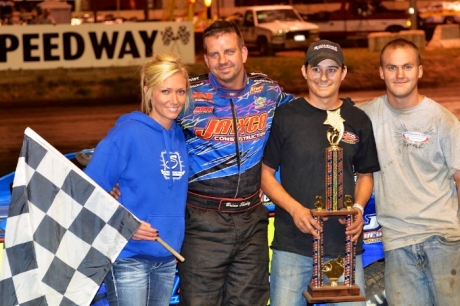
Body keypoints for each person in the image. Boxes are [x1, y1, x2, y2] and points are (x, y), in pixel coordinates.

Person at [176, 20, 294, 306]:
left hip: (252, 219)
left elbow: (303, 119)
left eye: (229, 51)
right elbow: (149, 133)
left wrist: (347, 115)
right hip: (202, 222)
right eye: (214, 54)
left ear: (243, 53)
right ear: (205, 59)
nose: (222, 60)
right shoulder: (187, 95)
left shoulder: (268, 92)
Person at [261, 40, 380, 306]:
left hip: (344, 246)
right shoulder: (285, 117)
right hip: (293, 245)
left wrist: (358, 209)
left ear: (343, 73)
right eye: (316, 69)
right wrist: (296, 210)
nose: (323, 77)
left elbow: (365, 174)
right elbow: (265, 174)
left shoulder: (358, 120)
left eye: (331, 69)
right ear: (304, 72)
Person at [357, 38, 460, 305]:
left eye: (407, 67)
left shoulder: (443, 121)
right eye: (392, 68)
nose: (400, 75)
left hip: (444, 241)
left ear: (420, 70)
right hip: (397, 244)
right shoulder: (365, 117)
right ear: (381, 72)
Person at [84, 53, 191, 306]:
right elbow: (86, 193)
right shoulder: (126, 134)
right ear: (148, 91)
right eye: (165, 91)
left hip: (166, 258)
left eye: (181, 92)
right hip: (128, 258)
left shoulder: (179, 137)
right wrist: (126, 224)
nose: (174, 100)